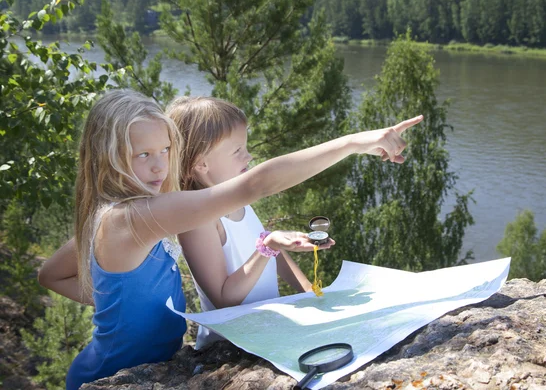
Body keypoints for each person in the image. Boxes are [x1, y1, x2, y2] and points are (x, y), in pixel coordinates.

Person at [37, 89, 422, 389]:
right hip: (109, 373)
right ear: (108, 157)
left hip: (147, 364)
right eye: (142, 155)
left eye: (166, 150)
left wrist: (110, 298)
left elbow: (49, 275)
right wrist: (352, 144)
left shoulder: (121, 213)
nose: (159, 165)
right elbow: (254, 184)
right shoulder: (133, 218)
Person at [167, 96, 334, 349]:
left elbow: (271, 253)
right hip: (229, 347)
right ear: (201, 164)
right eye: (237, 151)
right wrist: (267, 246)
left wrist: (310, 293)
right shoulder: (198, 221)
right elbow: (224, 299)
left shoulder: (236, 198)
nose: (249, 156)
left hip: (265, 333)